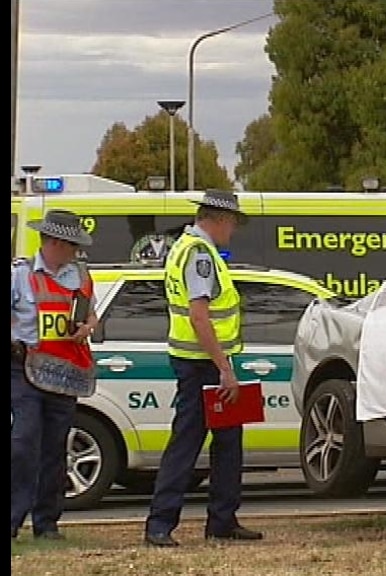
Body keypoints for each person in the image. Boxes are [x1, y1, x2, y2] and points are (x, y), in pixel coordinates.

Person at [143, 190, 262, 547]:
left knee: (228, 440)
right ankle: (160, 524)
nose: (233, 231)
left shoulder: (185, 247)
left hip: (202, 360)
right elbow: (199, 315)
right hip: (202, 364)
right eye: (233, 224)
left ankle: (222, 520)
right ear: (220, 220)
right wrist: (225, 369)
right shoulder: (199, 255)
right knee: (188, 441)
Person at [11, 209, 99, 540]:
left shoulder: (81, 275)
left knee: (54, 448)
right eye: (73, 246)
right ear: (55, 242)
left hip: (65, 372)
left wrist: (88, 326)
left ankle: (46, 523)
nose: (76, 252)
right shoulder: (19, 275)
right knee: (23, 443)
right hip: (26, 368)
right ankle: (13, 518)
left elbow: (91, 315)